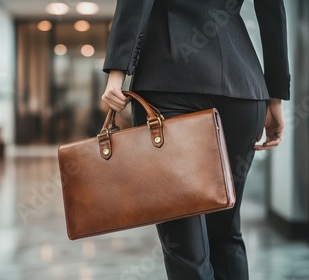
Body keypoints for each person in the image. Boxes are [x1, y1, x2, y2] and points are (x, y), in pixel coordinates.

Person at [102, 0, 289, 279]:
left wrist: (117, 70)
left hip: (166, 82)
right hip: (241, 87)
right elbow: (272, 8)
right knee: (225, 234)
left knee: (185, 249)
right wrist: (275, 95)